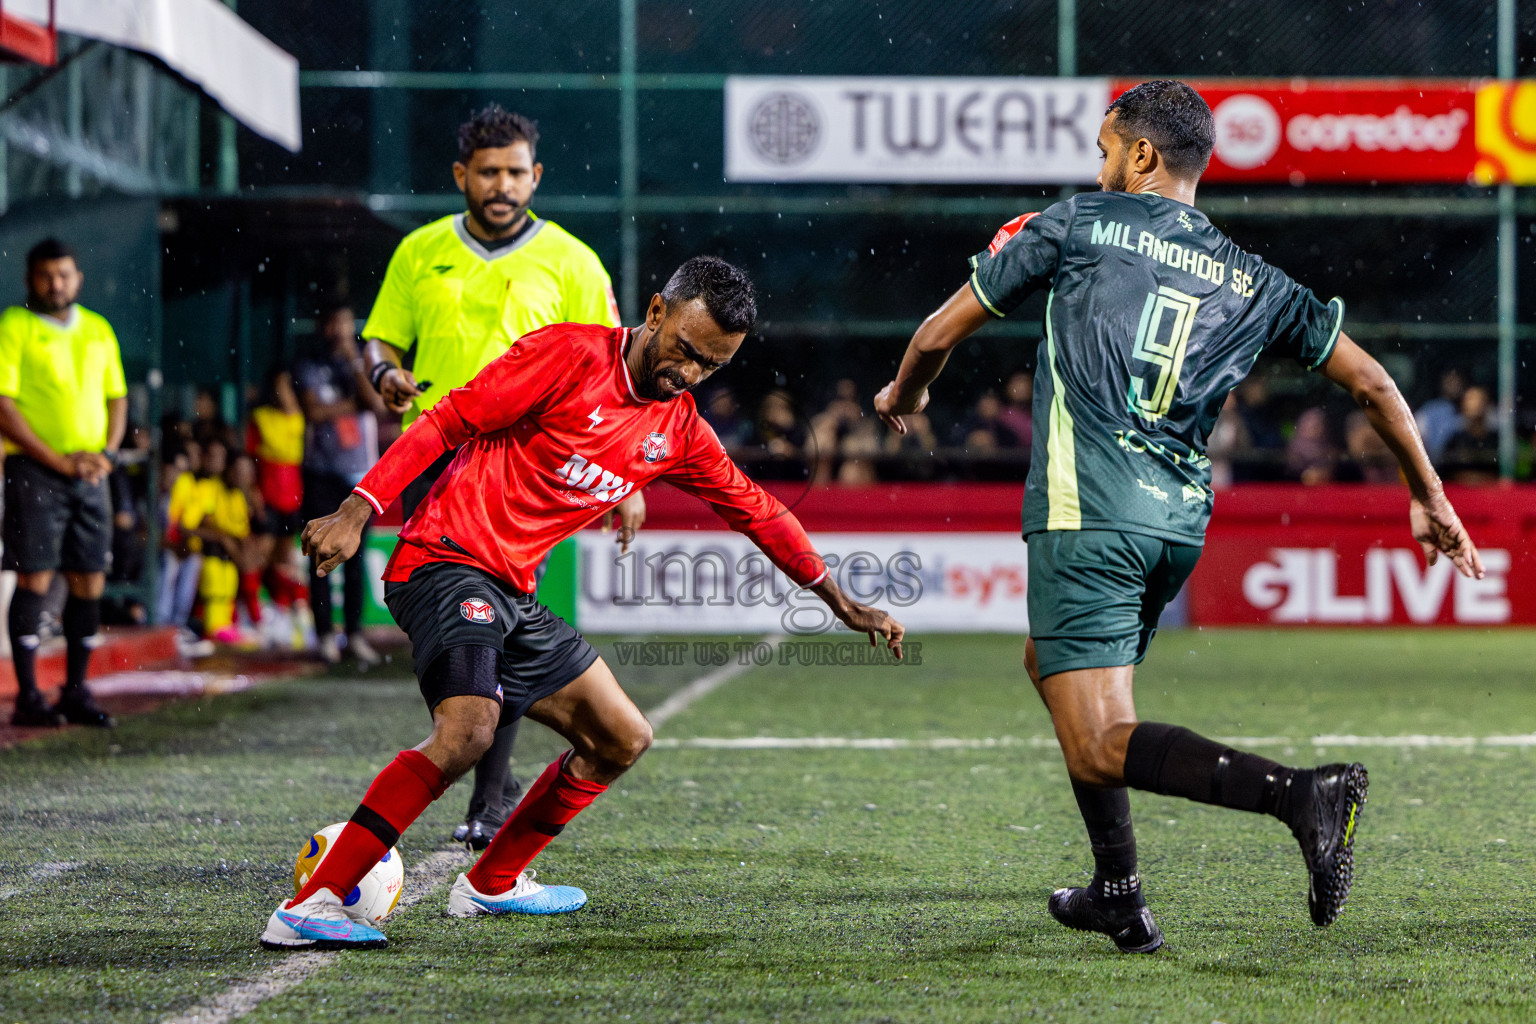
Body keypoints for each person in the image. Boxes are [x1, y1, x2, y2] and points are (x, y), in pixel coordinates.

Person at [875, 80, 1483, 953]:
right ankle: (1117, 891)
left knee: (1096, 742)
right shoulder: (1256, 278)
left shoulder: (1079, 222)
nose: (1100, 162)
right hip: (1175, 526)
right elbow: (1375, 384)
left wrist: (907, 391)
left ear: (1143, 156)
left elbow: (937, 334)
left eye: (1105, 147)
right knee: (1049, 660)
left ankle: (1300, 795)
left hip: (1089, 510)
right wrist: (1429, 494)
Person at [261, 257, 905, 950]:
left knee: (621, 738)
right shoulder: (567, 353)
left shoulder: (679, 428)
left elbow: (759, 511)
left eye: (710, 366)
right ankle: (313, 902)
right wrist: (360, 509)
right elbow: (447, 421)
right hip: (444, 561)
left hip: (513, 590)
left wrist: (838, 599)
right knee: (468, 731)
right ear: (655, 312)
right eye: (686, 352)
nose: (689, 374)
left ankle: (493, 881)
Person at [360, 104, 645, 849]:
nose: (503, 185)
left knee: (499, 628)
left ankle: (490, 796)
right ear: (462, 174)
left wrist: (629, 479)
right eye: (488, 172)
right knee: (462, 633)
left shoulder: (574, 261)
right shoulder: (420, 252)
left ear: (535, 175)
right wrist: (386, 371)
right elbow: (381, 337)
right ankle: (479, 769)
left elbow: (621, 378)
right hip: (433, 456)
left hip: (529, 476)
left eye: (516, 172)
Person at [0, 239, 127, 728]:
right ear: (31, 279)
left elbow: (117, 397)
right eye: (47, 276)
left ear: (78, 277)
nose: (57, 284)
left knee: (90, 578)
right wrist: (56, 459)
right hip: (35, 471)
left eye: (65, 274)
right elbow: (4, 406)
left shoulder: (97, 328)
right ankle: (29, 696)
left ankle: (76, 691)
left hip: (92, 473)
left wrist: (107, 455)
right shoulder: (15, 326)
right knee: (35, 576)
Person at [294, 304, 386, 666]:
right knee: (319, 553)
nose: (340, 330)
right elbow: (313, 412)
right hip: (322, 471)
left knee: (355, 556)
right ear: (323, 326)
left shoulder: (364, 361)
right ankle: (325, 634)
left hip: (361, 476)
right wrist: (354, 404)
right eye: (333, 322)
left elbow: (377, 405)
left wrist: (355, 365)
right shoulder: (308, 365)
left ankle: (354, 633)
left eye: (346, 323)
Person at [1415, 367, 1468, 465]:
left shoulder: (1472, 408)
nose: (1454, 384)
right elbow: (1416, 443)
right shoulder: (1429, 410)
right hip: (1438, 467)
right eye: (1450, 380)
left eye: (1457, 380)